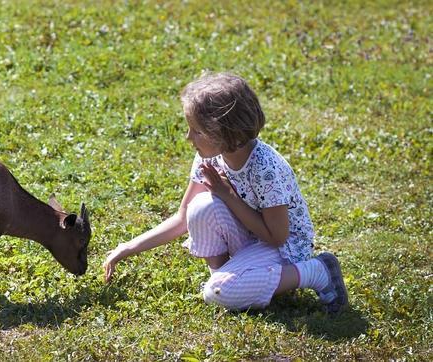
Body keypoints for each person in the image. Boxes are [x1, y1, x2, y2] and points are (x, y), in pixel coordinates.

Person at [103, 72, 348, 314]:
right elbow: (182, 218)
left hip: (287, 249)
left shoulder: (265, 168)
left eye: (197, 131)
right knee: (200, 207)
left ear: (225, 133)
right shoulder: (208, 157)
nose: (189, 137)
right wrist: (128, 247)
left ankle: (316, 271)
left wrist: (226, 194)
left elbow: (278, 237)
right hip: (252, 238)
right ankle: (232, 279)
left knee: (215, 293)